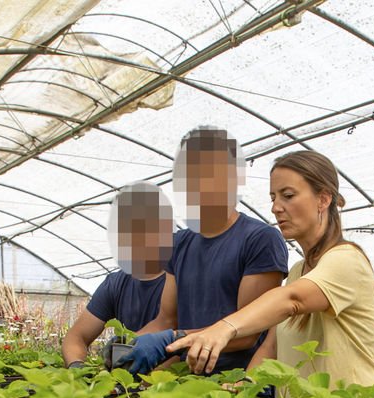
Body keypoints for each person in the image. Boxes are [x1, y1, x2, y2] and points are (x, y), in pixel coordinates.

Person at [166, 150, 374, 386]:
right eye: (273, 198)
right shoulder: (299, 271)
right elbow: (271, 347)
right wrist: (244, 387)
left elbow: (291, 299)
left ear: (323, 199)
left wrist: (223, 328)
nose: (276, 208)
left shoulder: (347, 260)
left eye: (288, 195)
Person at [118, 127, 288, 374]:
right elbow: (166, 319)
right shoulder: (178, 244)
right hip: (187, 377)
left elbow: (248, 333)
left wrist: (171, 341)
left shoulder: (260, 239)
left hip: (239, 384)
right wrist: (128, 345)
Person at [61, 182, 173, 368]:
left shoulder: (184, 278)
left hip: (175, 386)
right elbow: (76, 337)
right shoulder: (116, 284)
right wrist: (76, 367)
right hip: (128, 385)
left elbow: (190, 341)